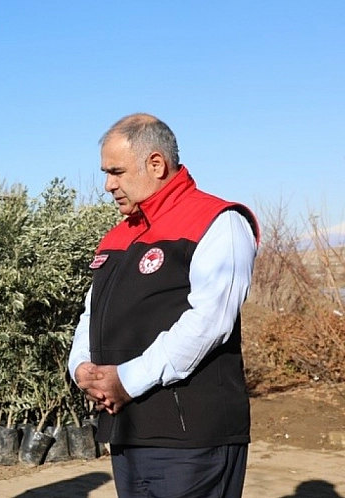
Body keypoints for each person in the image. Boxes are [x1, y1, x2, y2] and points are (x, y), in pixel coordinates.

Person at [68, 114, 258, 497]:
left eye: (117, 172)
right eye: (106, 174)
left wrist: (127, 380)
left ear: (156, 164)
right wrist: (81, 367)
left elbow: (209, 323)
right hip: (128, 430)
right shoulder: (117, 236)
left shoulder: (217, 222)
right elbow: (92, 312)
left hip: (192, 441)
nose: (108, 185)